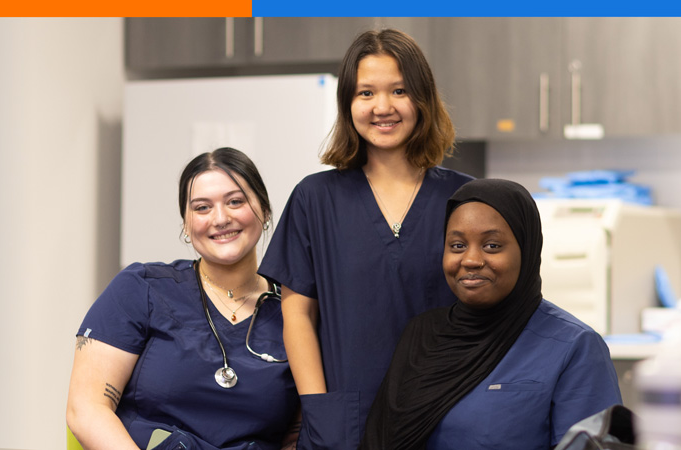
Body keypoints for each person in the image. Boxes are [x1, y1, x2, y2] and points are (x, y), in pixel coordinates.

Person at [258, 29, 474, 450]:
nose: (383, 107)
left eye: (399, 90)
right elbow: (298, 316)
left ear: (423, 100)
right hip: (344, 422)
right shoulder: (314, 199)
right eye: (365, 93)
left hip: (448, 413)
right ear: (348, 105)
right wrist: (319, 411)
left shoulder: (465, 199)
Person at [359, 179, 622, 449]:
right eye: (458, 246)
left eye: (492, 246)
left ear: (527, 250)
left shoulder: (574, 346)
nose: (471, 260)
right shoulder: (423, 336)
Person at [67, 147, 298, 450]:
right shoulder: (142, 288)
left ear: (265, 211)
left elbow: (297, 434)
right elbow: (86, 409)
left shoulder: (296, 310)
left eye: (235, 201)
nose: (220, 218)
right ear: (186, 225)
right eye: (202, 208)